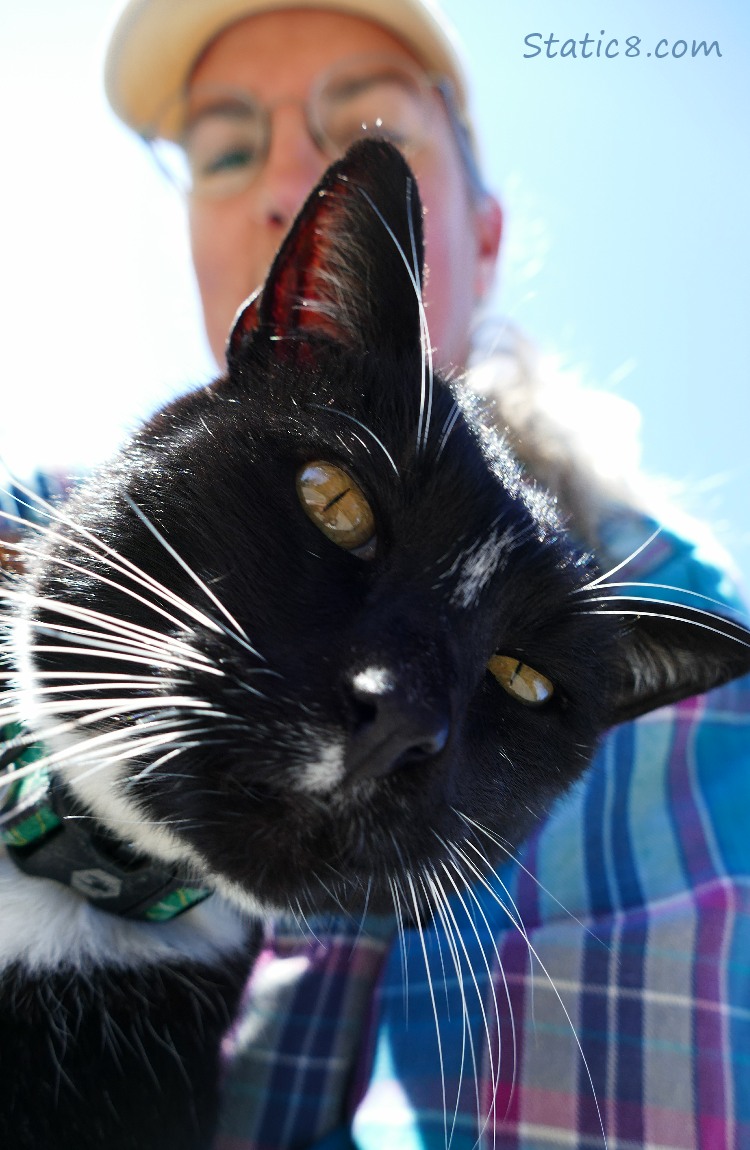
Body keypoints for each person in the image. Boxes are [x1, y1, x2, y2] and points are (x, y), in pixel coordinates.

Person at [9, 1, 746, 1147]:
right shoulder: (32, 514)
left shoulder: (670, 627)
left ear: (487, 232)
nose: (289, 172)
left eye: (363, 125)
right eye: (229, 147)